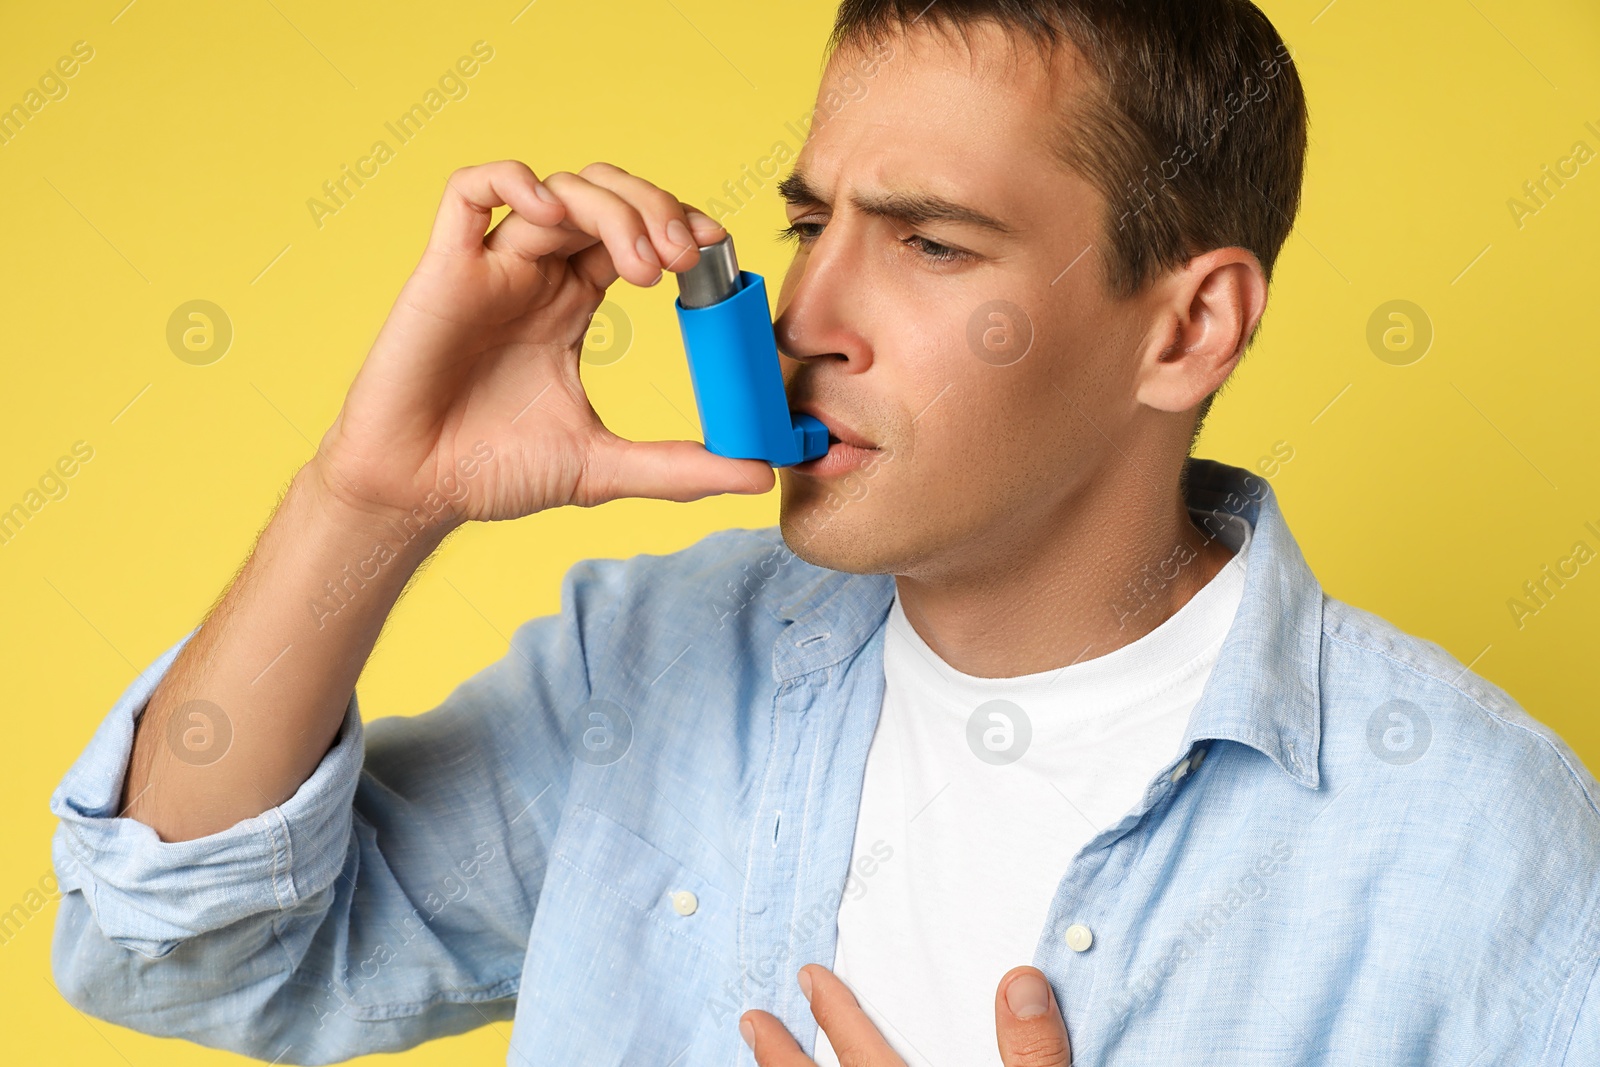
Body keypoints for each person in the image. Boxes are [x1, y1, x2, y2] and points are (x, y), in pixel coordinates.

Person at [48, 1, 1600, 1065]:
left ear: (1188, 329)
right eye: (810, 223)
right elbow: (185, 949)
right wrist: (370, 498)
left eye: (929, 241)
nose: (806, 315)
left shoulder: (1476, 849)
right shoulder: (652, 665)